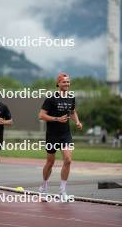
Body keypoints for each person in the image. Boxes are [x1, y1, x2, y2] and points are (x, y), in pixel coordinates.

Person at [38, 73, 82, 201]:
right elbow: (41, 115)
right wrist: (57, 119)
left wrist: (77, 122)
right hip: (52, 135)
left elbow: (72, 112)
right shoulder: (51, 99)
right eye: (64, 82)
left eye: (68, 82)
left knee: (68, 160)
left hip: (65, 134)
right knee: (50, 162)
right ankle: (44, 188)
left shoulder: (71, 97)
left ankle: (62, 191)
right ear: (58, 84)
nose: (66, 84)